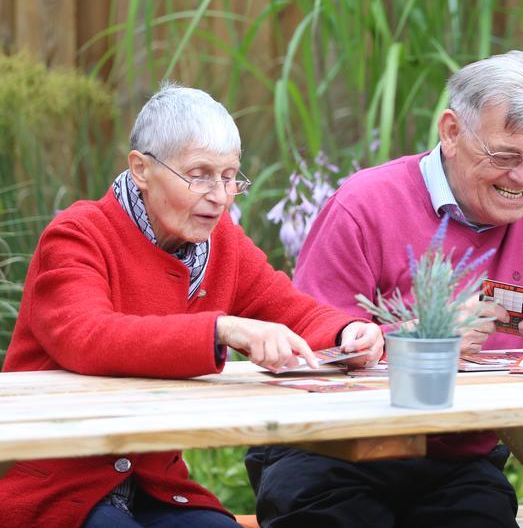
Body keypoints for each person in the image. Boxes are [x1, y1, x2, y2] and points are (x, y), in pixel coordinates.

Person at [246, 50, 523, 528]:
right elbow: (307, 350)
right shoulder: (362, 206)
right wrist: (426, 340)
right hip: (330, 453)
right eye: (505, 156)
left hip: (454, 461)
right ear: (451, 132)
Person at [0, 84, 384, 528]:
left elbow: (293, 311)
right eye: (199, 174)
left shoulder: (224, 245)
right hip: (57, 486)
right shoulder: (78, 234)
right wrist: (220, 330)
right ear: (141, 169)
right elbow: (88, 337)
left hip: (156, 486)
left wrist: (347, 333)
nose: (220, 196)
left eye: (229, 176)